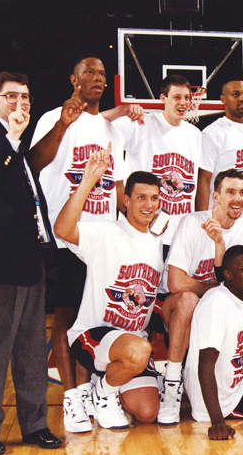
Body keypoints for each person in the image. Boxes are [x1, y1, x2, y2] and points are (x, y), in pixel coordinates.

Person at [29, 56, 130, 433]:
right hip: (65, 237)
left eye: (102, 74)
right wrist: (61, 125)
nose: (97, 79)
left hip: (103, 238)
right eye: (89, 72)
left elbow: (118, 189)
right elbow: (35, 163)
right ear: (73, 78)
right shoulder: (54, 118)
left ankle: (89, 392)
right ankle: (71, 400)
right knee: (66, 317)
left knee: (94, 321)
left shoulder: (111, 130)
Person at [0, 72, 61, 455]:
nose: (20, 103)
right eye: (11, 96)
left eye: (25, 97)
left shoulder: (17, 147)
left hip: (27, 263)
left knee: (32, 351)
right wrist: (14, 139)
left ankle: (35, 425)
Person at [54, 149, 165, 430]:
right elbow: (63, 229)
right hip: (94, 337)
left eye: (154, 198)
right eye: (140, 197)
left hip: (130, 341)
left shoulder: (159, 242)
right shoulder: (106, 232)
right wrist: (88, 181)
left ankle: (102, 386)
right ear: (126, 201)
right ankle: (105, 392)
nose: (148, 205)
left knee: (148, 412)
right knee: (140, 351)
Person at [157, 169, 243, 425]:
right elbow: (176, 283)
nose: (238, 199)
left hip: (212, 307)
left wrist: (220, 246)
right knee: (190, 300)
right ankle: (171, 384)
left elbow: (235, 287)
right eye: (230, 192)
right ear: (215, 196)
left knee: (242, 304)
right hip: (174, 307)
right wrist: (215, 290)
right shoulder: (192, 222)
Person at [185, 245, 243, 440]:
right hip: (222, 401)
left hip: (241, 378)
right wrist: (217, 421)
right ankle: (228, 414)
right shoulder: (216, 306)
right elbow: (205, 365)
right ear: (228, 274)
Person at [112, 74, 202, 247]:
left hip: (180, 235)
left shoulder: (195, 134)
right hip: (140, 232)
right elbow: (98, 125)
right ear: (163, 98)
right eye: (176, 97)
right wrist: (122, 111)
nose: (183, 103)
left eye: (186, 98)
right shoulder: (141, 123)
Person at [196, 80, 243, 237]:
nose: (242, 98)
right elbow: (203, 180)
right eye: (236, 95)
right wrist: (202, 220)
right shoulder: (213, 132)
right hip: (219, 224)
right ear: (223, 99)